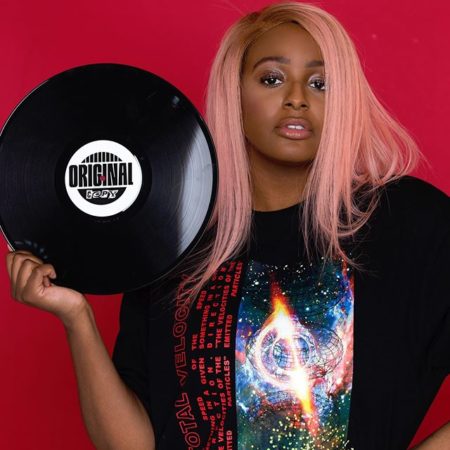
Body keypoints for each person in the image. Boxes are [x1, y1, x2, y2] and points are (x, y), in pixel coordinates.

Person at [5, 1, 449, 449]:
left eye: (321, 83)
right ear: (233, 92)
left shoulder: (409, 225)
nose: (297, 98)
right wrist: (76, 317)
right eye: (272, 78)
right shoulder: (176, 234)